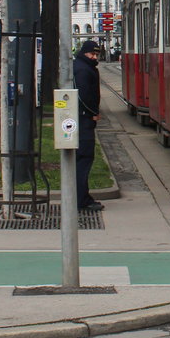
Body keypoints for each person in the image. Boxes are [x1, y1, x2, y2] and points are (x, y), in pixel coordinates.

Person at [72, 40, 104, 212]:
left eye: (96, 55)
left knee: (82, 159)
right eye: (92, 54)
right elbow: (84, 96)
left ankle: (82, 197)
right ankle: (81, 199)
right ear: (84, 53)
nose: (94, 57)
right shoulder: (84, 70)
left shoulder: (81, 66)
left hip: (81, 119)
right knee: (84, 158)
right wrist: (93, 113)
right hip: (83, 120)